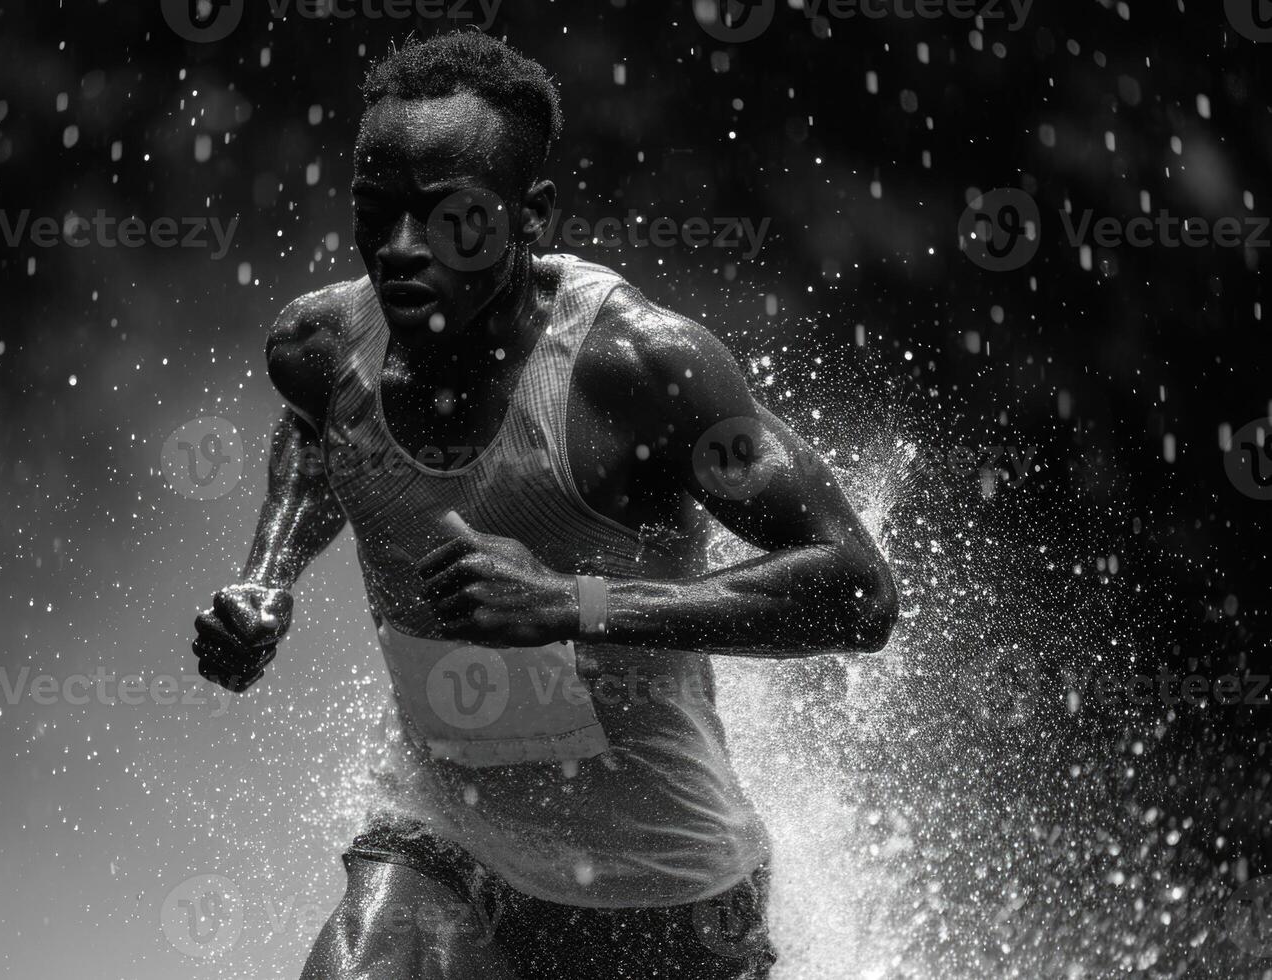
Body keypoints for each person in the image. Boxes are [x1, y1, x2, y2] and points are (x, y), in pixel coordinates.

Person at [192, 31, 897, 980]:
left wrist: (573, 604)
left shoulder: (640, 371)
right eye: (375, 214)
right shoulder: (320, 347)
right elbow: (324, 434)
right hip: (445, 846)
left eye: (447, 219)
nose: (401, 251)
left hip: (663, 891)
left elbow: (857, 592)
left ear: (531, 217)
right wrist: (268, 576)